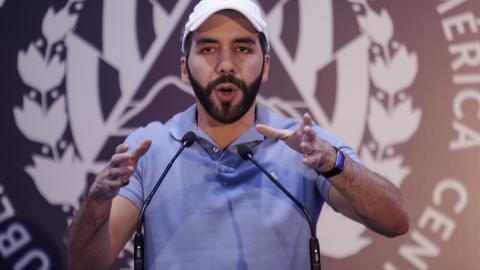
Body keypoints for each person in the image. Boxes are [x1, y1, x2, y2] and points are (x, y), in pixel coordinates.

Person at [67, 0, 409, 269]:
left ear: (267, 65)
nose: (226, 64)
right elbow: (85, 265)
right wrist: (98, 200)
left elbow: (395, 221)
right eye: (208, 49)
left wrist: (335, 164)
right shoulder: (150, 148)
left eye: (243, 49)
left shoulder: (303, 145)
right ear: (185, 69)